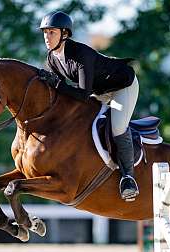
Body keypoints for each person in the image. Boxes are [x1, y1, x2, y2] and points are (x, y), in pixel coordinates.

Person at [37, 11, 140, 201]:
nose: (47, 37)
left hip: (122, 86)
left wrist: (58, 85)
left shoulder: (80, 54)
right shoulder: (53, 57)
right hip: (99, 91)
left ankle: (128, 178)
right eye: (45, 32)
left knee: (117, 126)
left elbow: (82, 95)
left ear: (64, 34)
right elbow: (63, 95)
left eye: (51, 32)